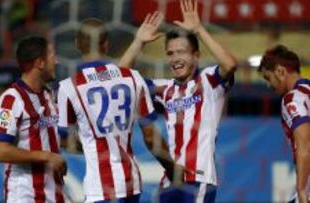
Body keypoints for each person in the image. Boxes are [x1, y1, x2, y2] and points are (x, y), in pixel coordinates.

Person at [119, 0, 237, 202]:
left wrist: (199, 29)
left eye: (181, 52)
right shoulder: (164, 89)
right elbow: (119, 80)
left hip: (198, 179)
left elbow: (229, 64)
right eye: (170, 53)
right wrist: (138, 41)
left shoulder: (209, 82)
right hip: (169, 180)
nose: (174, 58)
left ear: (196, 56)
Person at [57, 18, 176, 203]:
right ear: (106, 44)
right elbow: (152, 137)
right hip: (131, 184)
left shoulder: (68, 88)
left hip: (100, 189)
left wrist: (92, 146)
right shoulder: (133, 78)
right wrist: (174, 170)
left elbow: (64, 140)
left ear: (77, 44)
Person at [0, 36, 71, 202]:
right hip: (24, 193)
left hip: (55, 192)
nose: (56, 61)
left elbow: (53, 137)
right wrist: (46, 156)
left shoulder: (50, 95)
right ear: (40, 63)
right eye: (52, 57)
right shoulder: (11, 100)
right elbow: (1, 151)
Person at [258, 45, 309, 203]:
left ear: (280, 71)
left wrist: (301, 189)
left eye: (268, 78)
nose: (269, 85)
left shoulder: (292, 99)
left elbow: (305, 144)